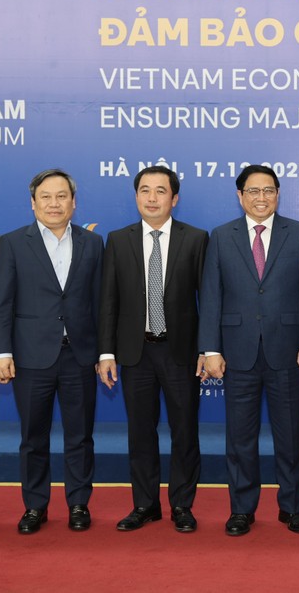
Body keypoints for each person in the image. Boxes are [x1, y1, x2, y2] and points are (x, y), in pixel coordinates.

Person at [197, 164, 299, 536]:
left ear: (278, 194)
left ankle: (292, 509)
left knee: (289, 436)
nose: (261, 197)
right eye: (253, 191)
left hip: (288, 352)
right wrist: (210, 349)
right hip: (237, 353)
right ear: (240, 197)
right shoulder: (221, 236)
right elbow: (211, 296)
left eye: (268, 190)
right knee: (239, 438)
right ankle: (241, 509)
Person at [0, 169, 103, 534]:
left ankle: (78, 503)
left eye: (61, 196)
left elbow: (100, 302)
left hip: (79, 355)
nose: (54, 203)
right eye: (46, 197)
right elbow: (1, 303)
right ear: (33, 203)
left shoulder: (92, 242)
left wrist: (104, 353)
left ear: (74, 202)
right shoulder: (12, 243)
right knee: (33, 437)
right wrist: (0, 352)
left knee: (80, 435)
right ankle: (35, 506)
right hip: (30, 356)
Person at [97, 166, 208, 534]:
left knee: (184, 432)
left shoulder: (196, 239)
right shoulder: (118, 239)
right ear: (136, 197)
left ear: (174, 199)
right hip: (135, 353)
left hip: (181, 353)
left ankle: (182, 505)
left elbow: (207, 300)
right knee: (139, 432)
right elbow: (108, 301)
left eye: (161, 191)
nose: (152, 198)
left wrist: (208, 349)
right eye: (145, 190)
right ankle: (144, 504)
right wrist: (106, 353)